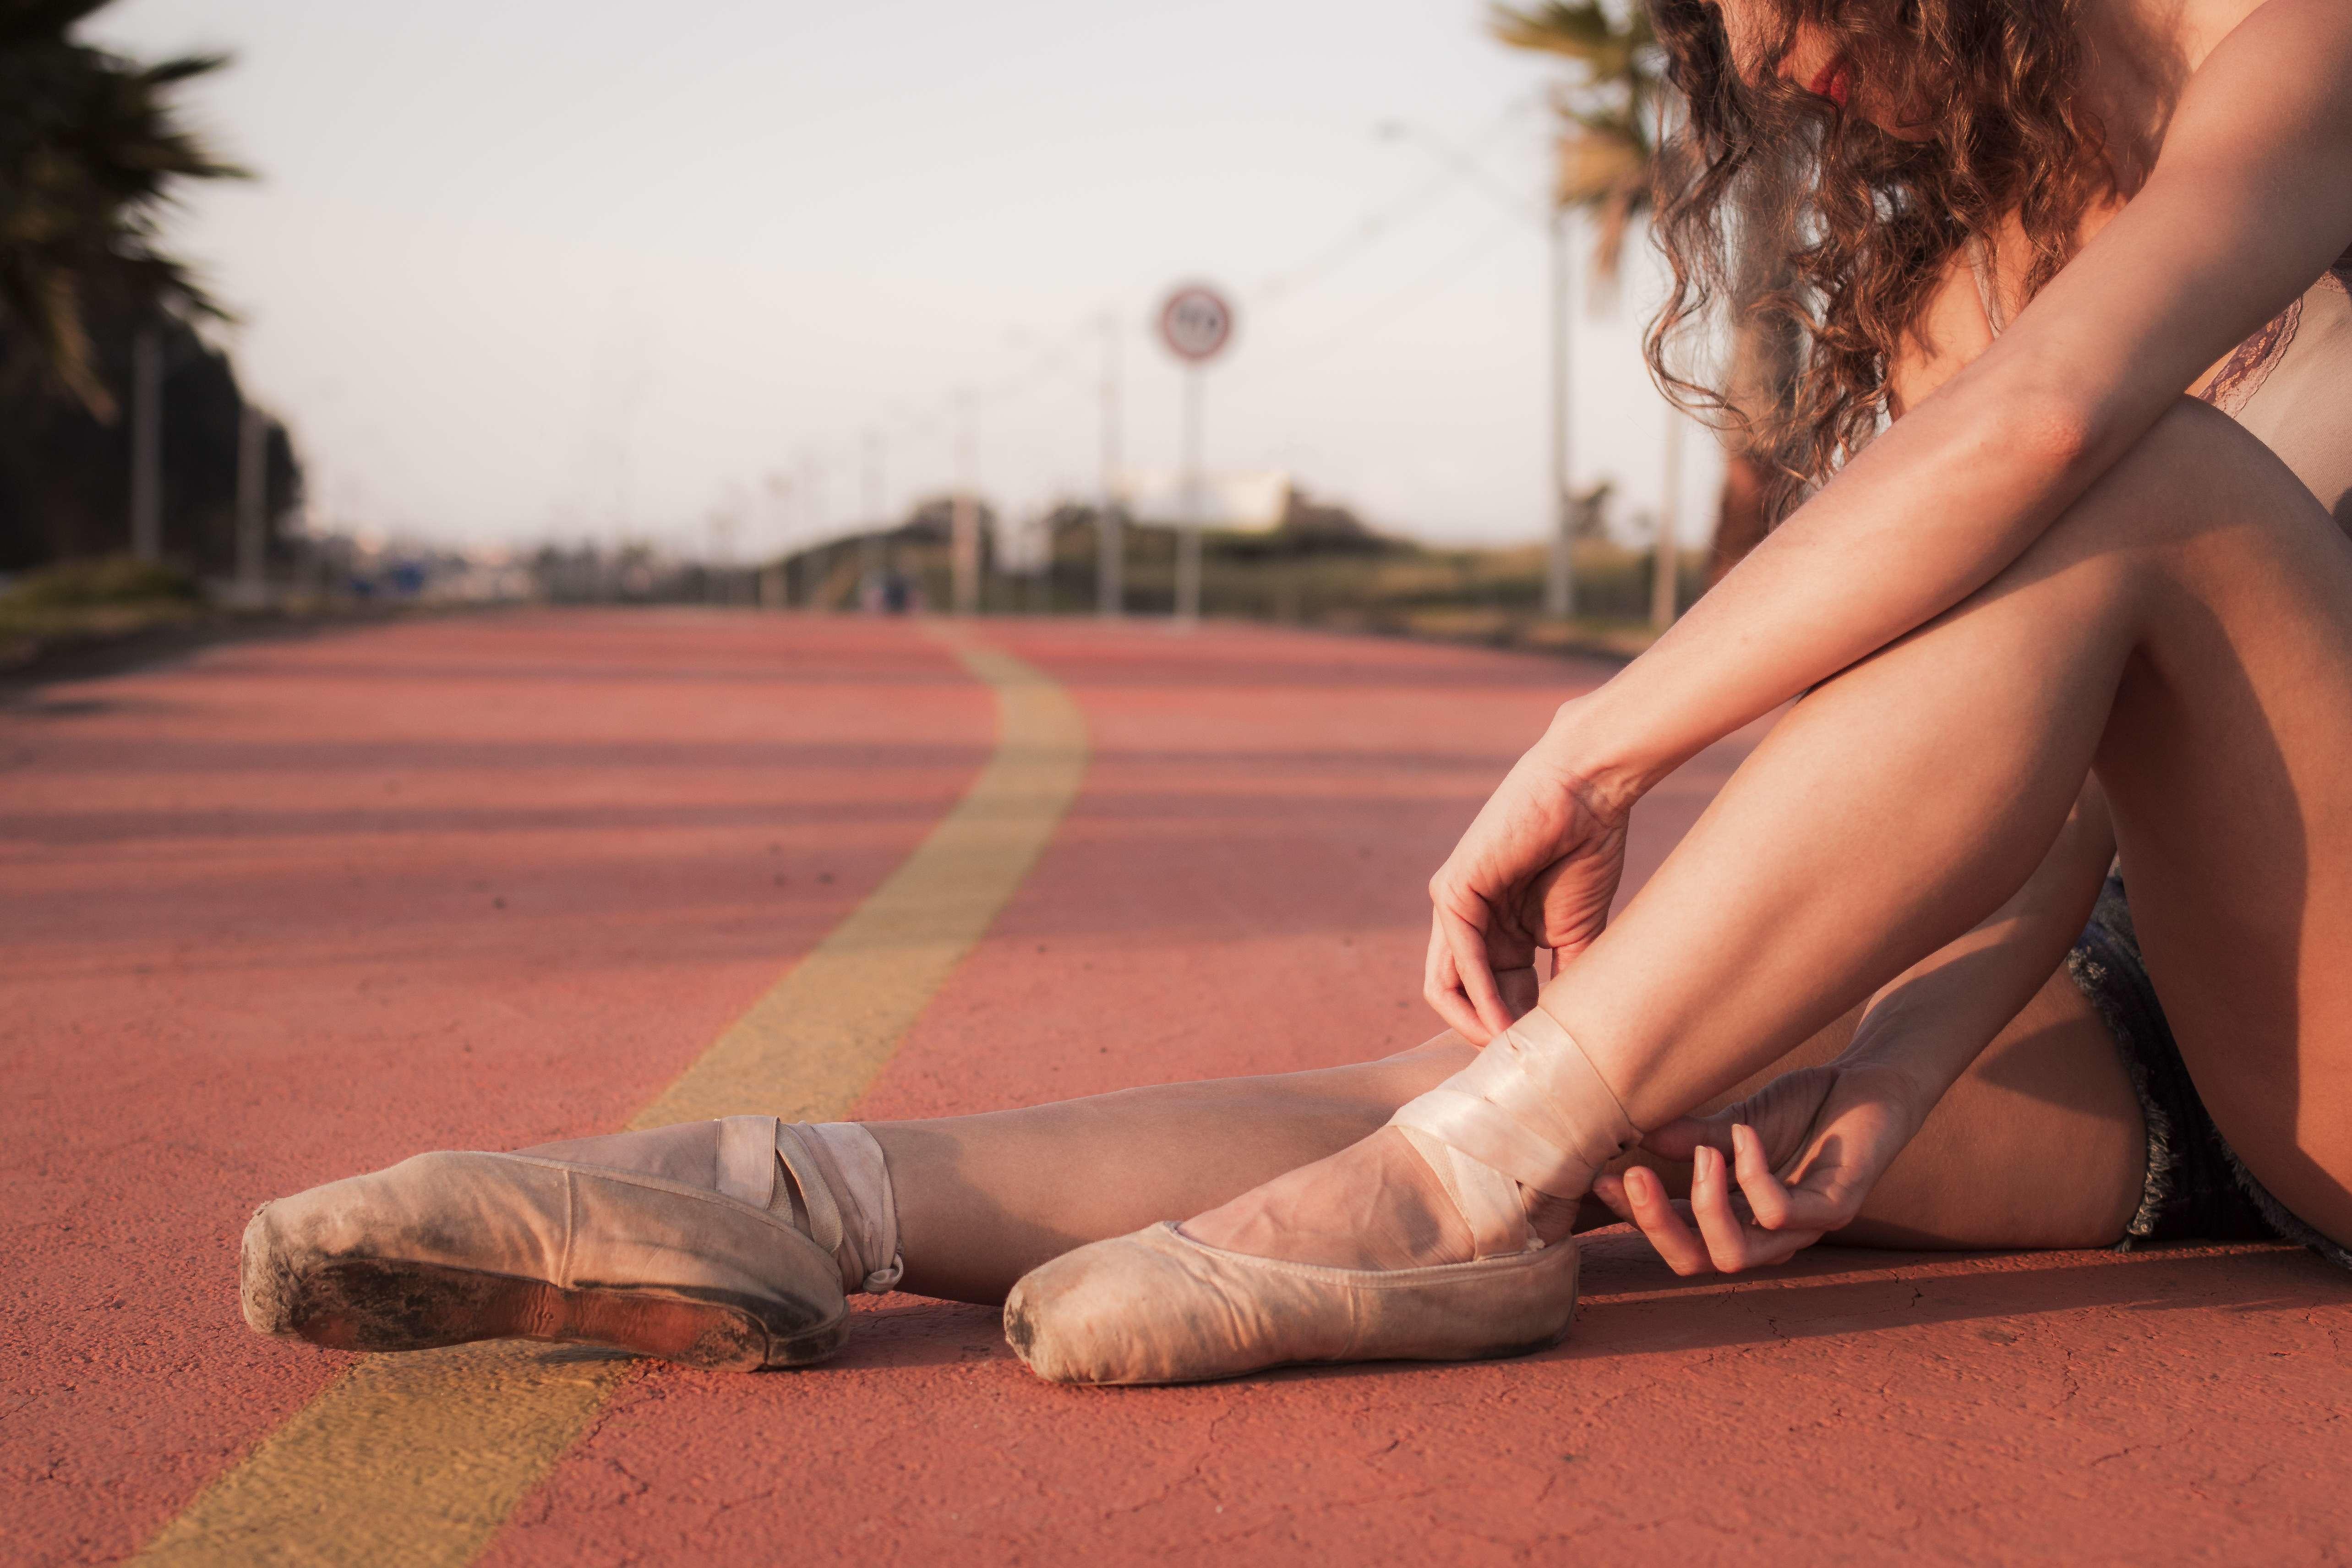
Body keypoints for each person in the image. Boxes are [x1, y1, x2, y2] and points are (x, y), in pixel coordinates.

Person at [242, 0, 2352, 1385]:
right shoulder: (1986, 260)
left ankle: (1456, 1198)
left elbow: (2066, 437)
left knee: (2143, 472)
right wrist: (1901, 1040)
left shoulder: (2300, 48)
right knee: (1548, 1073)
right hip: (2161, 1027)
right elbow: (2065, 755)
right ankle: (789, 1195)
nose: (1757, 52)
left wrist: (1591, 749)